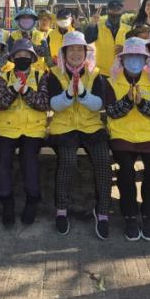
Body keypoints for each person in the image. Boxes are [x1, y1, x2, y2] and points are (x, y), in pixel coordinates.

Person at [47, 31, 111, 239]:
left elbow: (98, 104)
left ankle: (102, 211)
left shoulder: (95, 73)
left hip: (91, 126)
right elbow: (53, 104)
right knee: (67, 161)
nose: (75, 53)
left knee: (103, 161)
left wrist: (83, 94)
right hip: (64, 127)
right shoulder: (54, 73)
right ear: (64, 53)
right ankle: (61, 209)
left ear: (86, 52)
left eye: (79, 49)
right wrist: (68, 94)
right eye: (71, 49)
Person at [104, 37, 150, 241]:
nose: (134, 60)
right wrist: (128, 100)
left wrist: (141, 103)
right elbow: (112, 112)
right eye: (130, 56)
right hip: (122, 135)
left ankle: (149, 216)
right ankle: (130, 215)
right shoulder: (112, 81)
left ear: (145, 59)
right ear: (122, 59)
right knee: (126, 171)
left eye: (138, 56)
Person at [0, 39, 49, 228]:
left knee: (29, 159)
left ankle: (32, 198)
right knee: (2, 159)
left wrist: (25, 91)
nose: (23, 57)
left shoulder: (41, 76)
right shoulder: (4, 77)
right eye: (19, 54)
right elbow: (0, 103)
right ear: (13, 57)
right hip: (9, 129)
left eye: (27, 55)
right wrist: (13, 89)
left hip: (33, 129)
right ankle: (6, 201)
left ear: (32, 58)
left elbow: (44, 103)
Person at [84, 0, 131, 76]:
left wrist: (125, 50)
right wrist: (92, 24)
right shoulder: (98, 27)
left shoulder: (128, 29)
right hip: (102, 73)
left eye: (118, 10)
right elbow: (87, 40)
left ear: (122, 12)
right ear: (107, 11)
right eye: (112, 10)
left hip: (122, 74)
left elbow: (134, 50)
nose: (115, 12)